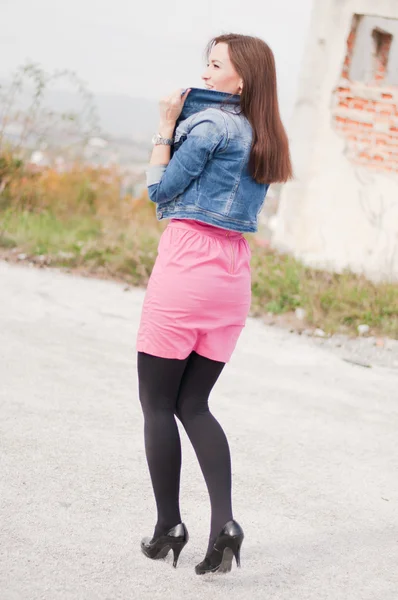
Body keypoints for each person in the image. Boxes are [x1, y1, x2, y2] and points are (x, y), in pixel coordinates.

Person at [137, 33, 292, 575]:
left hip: (188, 266)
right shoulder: (264, 133)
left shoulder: (208, 125)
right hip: (233, 273)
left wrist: (164, 126)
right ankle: (224, 523)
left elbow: (160, 189)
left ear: (241, 77)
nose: (205, 73)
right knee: (194, 404)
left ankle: (167, 527)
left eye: (215, 64)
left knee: (158, 404)